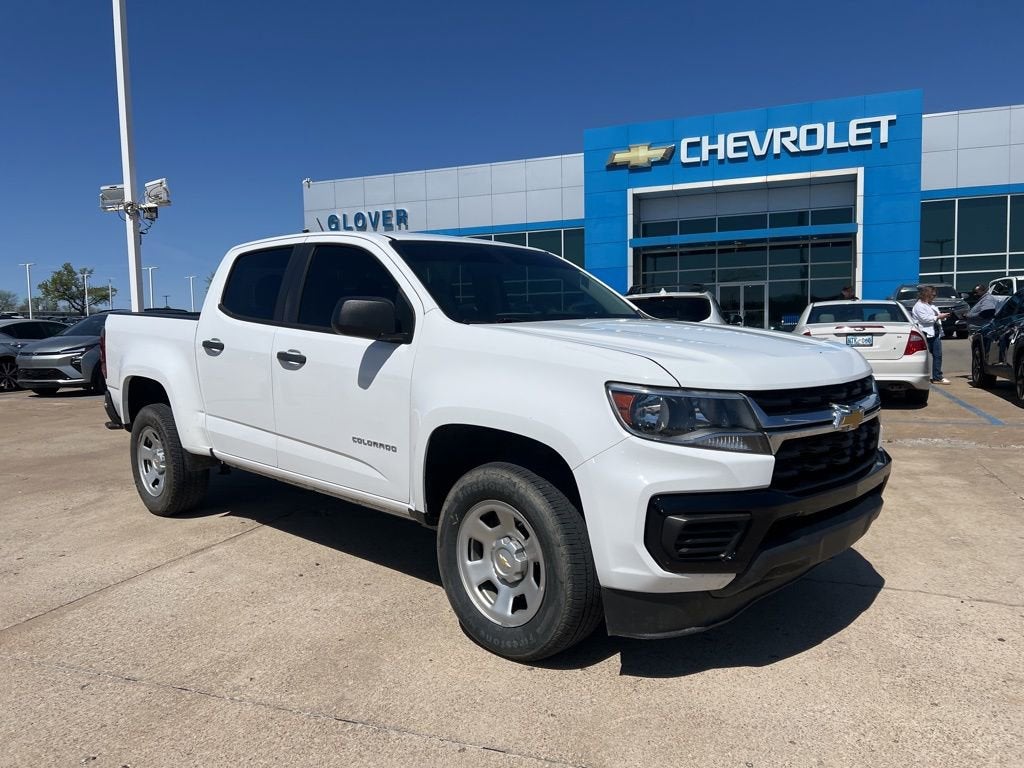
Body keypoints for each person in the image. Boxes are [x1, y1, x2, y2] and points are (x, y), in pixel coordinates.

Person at [912, 285, 950, 384]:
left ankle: (937, 377)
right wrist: (938, 317)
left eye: (935, 295)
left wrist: (942, 316)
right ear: (926, 294)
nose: (934, 297)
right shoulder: (919, 306)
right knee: (922, 355)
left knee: (938, 355)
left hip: (934, 332)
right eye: (933, 295)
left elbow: (935, 315)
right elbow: (925, 319)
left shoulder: (931, 305)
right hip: (925, 332)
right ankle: (919, 376)